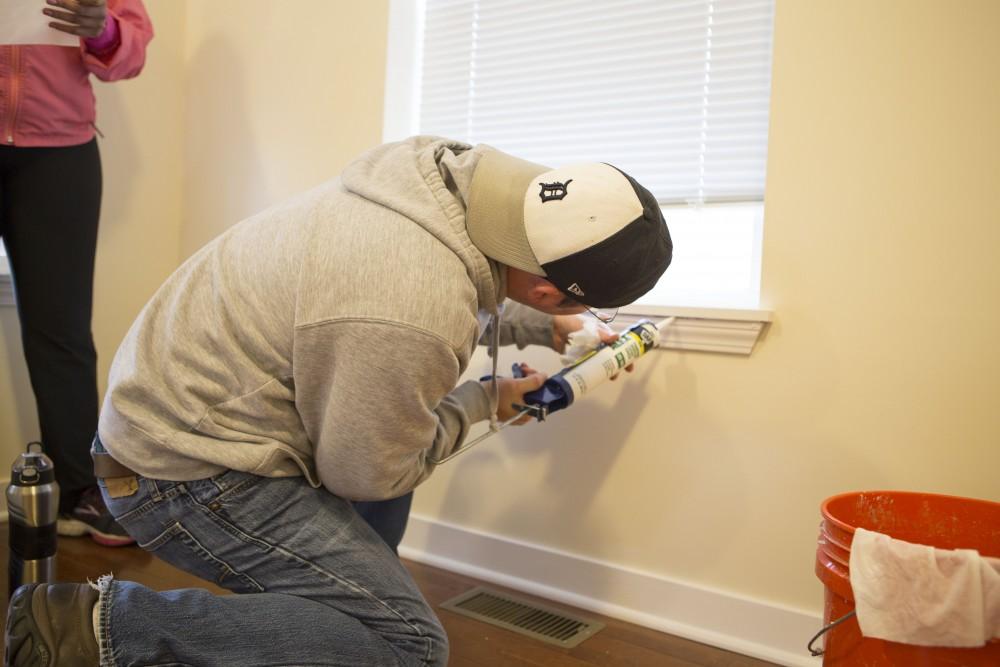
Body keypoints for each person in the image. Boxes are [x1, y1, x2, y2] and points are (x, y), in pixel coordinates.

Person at [3, 136, 672, 666]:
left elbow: (483, 280)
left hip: (176, 419)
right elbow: (370, 472)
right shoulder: (409, 303)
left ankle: (317, 628)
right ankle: (102, 626)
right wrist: (486, 400)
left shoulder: (443, 180)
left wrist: (539, 325)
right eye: (569, 306)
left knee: (377, 496)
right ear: (556, 291)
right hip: (177, 475)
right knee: (407, 642)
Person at [0, 0, 153, 547]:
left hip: (58, 154)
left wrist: (105, 29)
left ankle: (75, 494)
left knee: (61, 333)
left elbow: (131, 47)